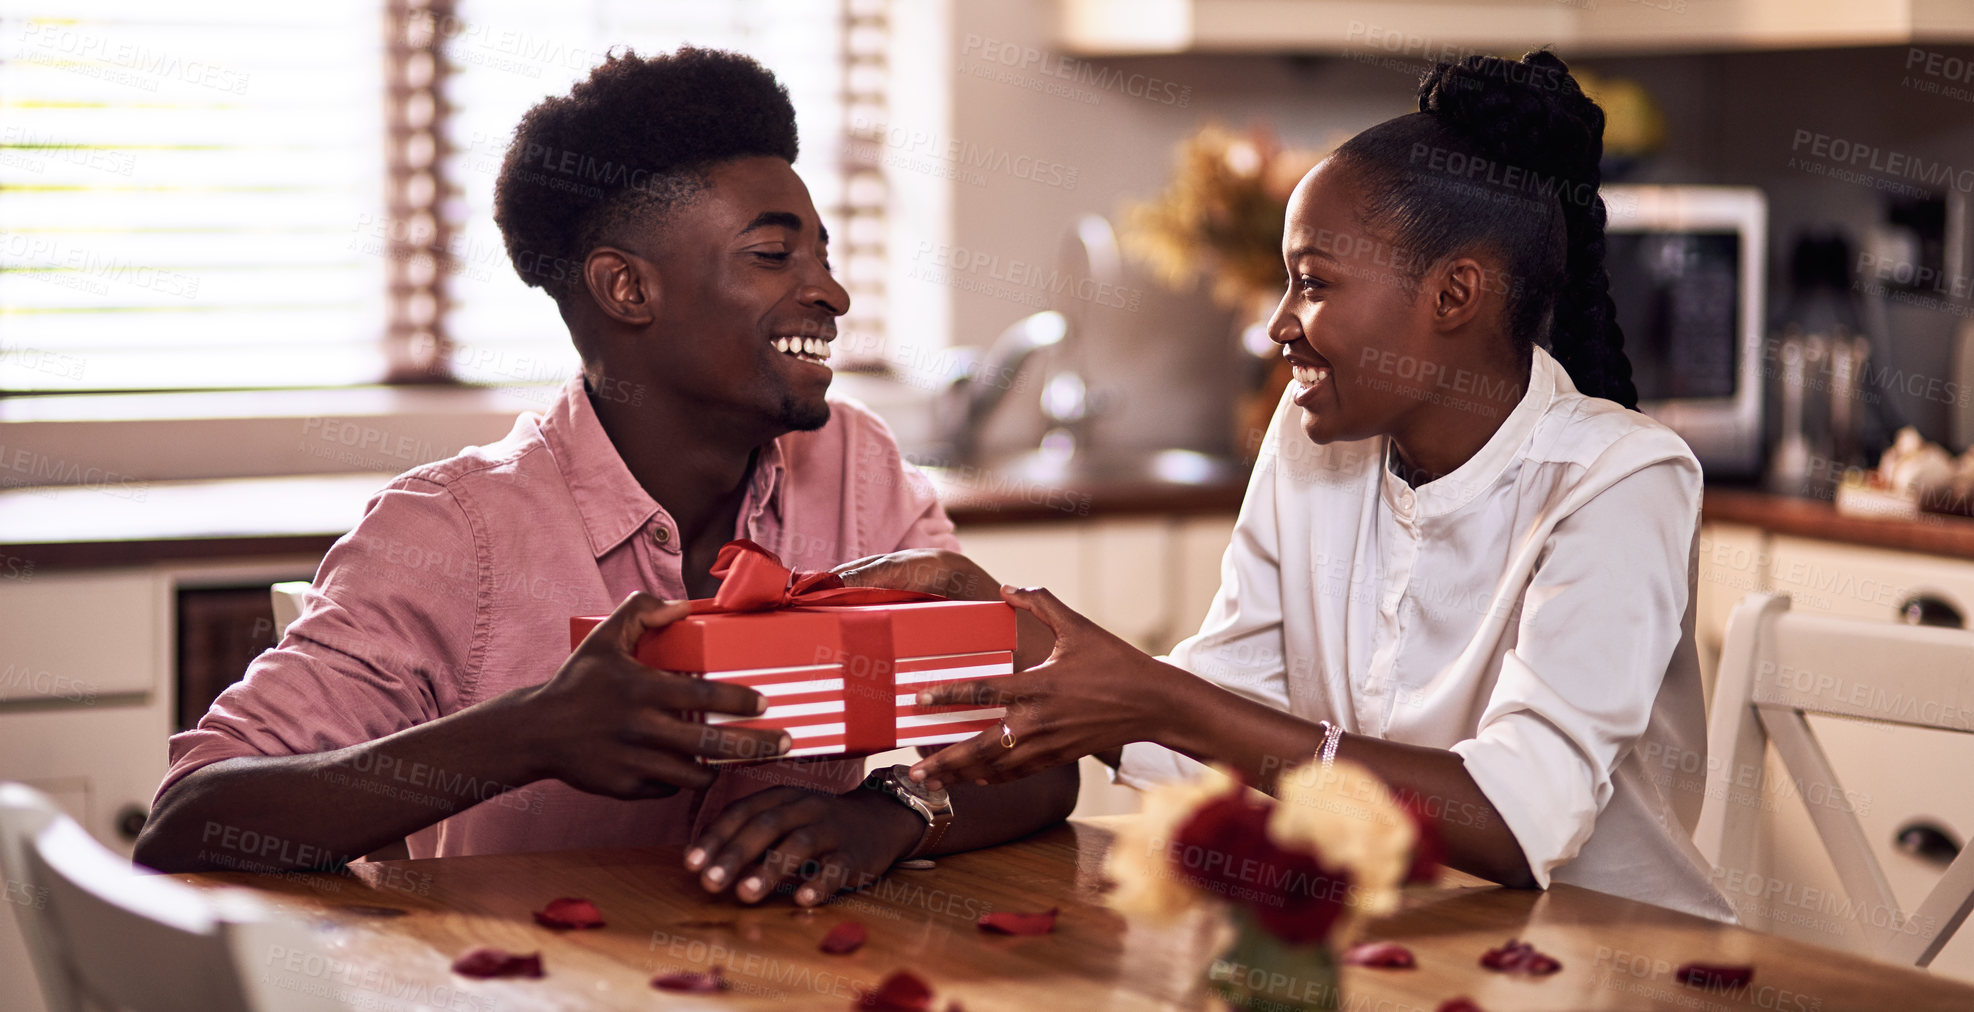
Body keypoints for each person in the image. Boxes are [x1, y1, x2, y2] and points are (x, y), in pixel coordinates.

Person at [134, 47, 1076, 908]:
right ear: (628, 289)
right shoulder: (453, 531)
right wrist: (533, 733)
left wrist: (889, 813)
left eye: (824, 255)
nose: (830, 291)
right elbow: (186, 827)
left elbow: (1041, 753)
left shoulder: (858, 470)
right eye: (773, 254)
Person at [839, 50, 1735, 921]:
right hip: (1408, 942)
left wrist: (1160, 699)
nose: (1278, 325)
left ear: (1455, 294)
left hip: (1618, 960)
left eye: (1312, 283)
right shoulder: (1317, 437)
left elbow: (1515, 820)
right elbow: (1227, 720)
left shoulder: (1620, 479)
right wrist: (1003, 628)